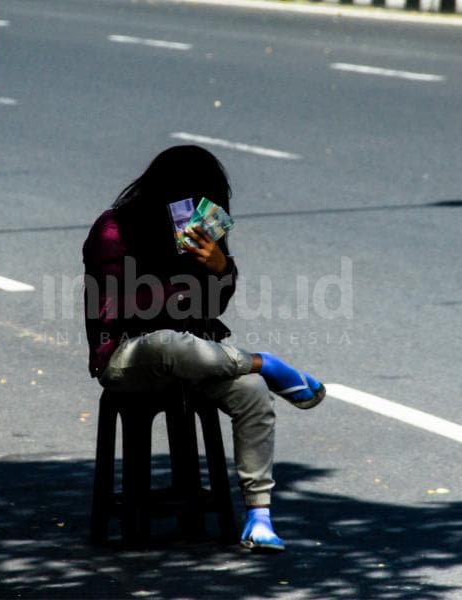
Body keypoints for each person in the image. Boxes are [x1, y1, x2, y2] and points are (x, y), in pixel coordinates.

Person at [82, 145, 325, 552]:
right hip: (126, 356)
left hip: (198, 353)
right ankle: (262, 362)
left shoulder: (203, 231)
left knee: (251, 393)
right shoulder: (113, 230)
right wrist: (171, 275)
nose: (196, 211)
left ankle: (258, 517)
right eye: (189, 200)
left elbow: (213, 308)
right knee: (168, 342)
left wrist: (219, 269)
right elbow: (117, 306)